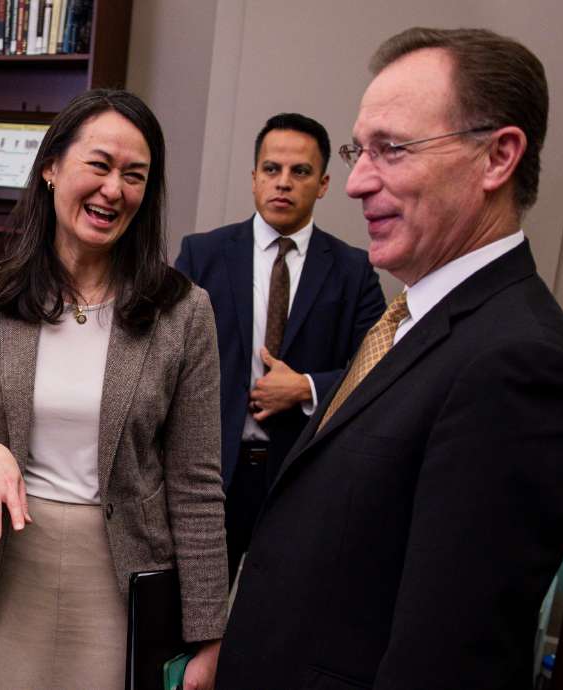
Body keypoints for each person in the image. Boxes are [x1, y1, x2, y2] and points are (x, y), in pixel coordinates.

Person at [218, 27, 563, 690]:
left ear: (498, 158)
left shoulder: (519, 364)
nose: (355, 183)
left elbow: (447, 658)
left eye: (391, 150)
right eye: (360, 151)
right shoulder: (413, 318)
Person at [0, 88, 229, 690]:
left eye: (134, 175)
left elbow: (196, 486)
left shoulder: (183, 313)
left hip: (120, 581)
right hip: (4, 572)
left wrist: (210, 633)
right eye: (99, 164)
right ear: (51, 167)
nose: (114, 190)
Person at [175, 113, 384, 581]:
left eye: (300, 172)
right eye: (271, 169)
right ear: (253, 178)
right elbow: (164, 359)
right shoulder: (201, 255)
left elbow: (381, 372)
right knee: (191, 622)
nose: (283, 183)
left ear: (325, 182)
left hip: (302, 474)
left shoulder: (355, 271)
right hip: (210, 474)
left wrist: (307, 387)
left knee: (274, 625)